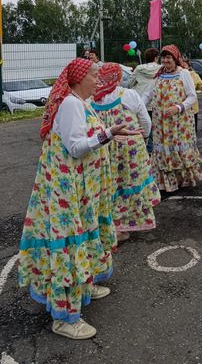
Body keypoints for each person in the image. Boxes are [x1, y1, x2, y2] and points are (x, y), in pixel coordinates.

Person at [18, 59, 142, 339]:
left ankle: (84, 285)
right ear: (78, 79)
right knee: (70, 242)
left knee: (84, 235)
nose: (98, 81)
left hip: (81, 189)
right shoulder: (71, 104)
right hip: (68, 191)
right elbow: (75, 148)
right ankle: (65, 318)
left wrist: (111, 136)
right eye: (94, 76)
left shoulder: (80, 102)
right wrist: (108, 134)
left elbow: (84, 137)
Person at [92, 63, 161, 242]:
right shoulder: (129, 94)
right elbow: (145, 121)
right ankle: (126, 223)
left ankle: (109, 225)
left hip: (105, 147)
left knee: (111, 185)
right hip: (131, 148)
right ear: (118, 78)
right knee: (130, 183)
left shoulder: (93, 98)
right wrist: (145, 137)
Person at [142, 45, 202, 192]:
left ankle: (182, 179)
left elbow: (192, 96)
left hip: (179, 122)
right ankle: (165, 181)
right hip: (161, 123)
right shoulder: (159, 74)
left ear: (175, 59)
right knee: (162, 148)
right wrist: (138, 107)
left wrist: (179, 107)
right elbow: (148, 94)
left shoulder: (183, 74)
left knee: (178, 146)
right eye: (163, 58)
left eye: (168, 57)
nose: (165, 61)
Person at [128, 47, 161, 153]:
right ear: (156, 58)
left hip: (140, 102)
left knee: (143, 128)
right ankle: (153, 151)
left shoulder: (139, 68)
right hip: (156, 103)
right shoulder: (162, 68)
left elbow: (129, 83)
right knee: (156, 129)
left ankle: (145, 150)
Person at [182, 55, 202, 133]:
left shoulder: (194, 75)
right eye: (181, 64)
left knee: (192, 131)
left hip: (192, 109)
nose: (182, 66)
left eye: (184, 64)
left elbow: (201, 86)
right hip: (180, 109)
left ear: (188, 66)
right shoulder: (176, 75)